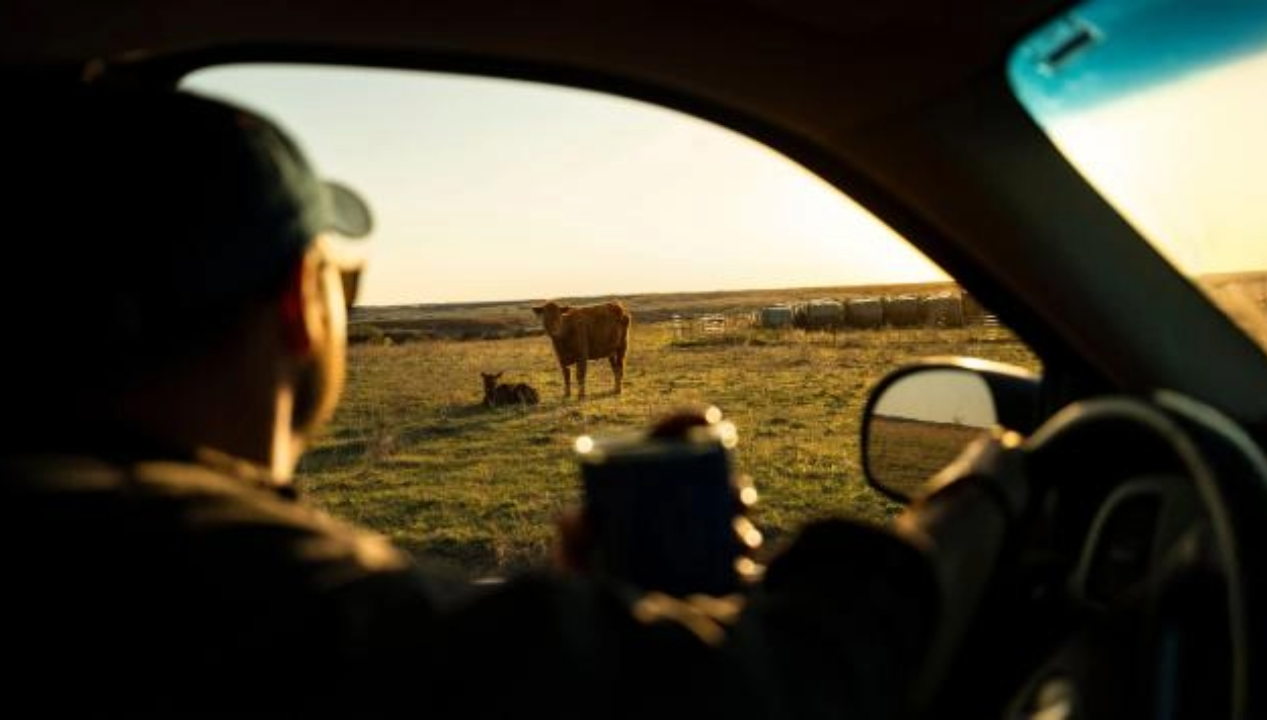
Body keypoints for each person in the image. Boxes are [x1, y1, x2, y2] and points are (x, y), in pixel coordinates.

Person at [0, 84, 937, 717]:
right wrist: (952, 527)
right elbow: (763, 691)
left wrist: (590, 607)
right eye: (342, 284)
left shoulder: (81, 524)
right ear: (299, 303)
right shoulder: (212, 571)